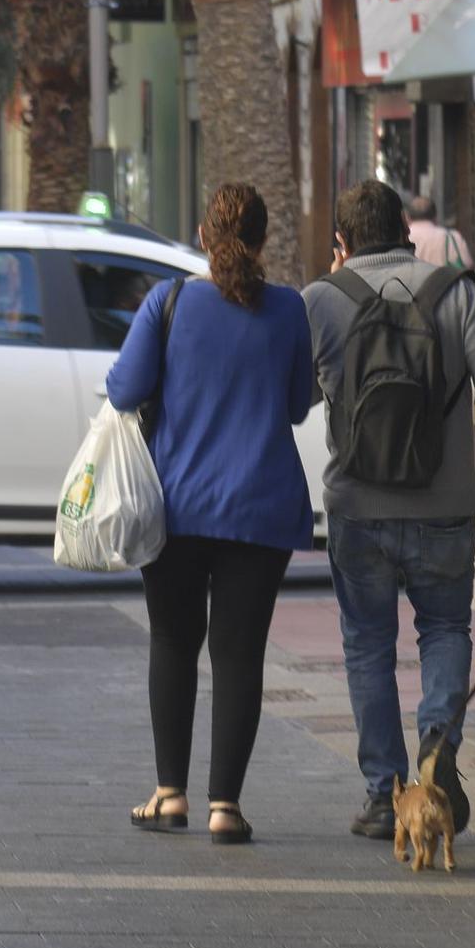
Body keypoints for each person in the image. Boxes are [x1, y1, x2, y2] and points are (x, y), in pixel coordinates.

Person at [108, 184, 315, 845]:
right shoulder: (287, 309)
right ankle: (226, 805)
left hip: (177, 505)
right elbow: (297, 404)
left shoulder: (167, 302)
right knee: (239, 654)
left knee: (173, 642)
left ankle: (170, 795)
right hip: (262, 506)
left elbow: (125, 389)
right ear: (262, 241)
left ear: (203, 235)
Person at [306, 179, 475, 842]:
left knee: (367, 645)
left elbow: (293, 398)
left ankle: (381, 793)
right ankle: (437, 741)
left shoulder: (321, 300)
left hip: (357, 505)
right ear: (404, 229)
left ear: (343, 243)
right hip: (444, 503)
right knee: (446, 630)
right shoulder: (456, 292)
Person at [406, 195, 472, 271]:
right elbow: (468, 264)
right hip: (445, 281)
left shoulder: (404, 236)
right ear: (435, 217)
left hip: (412, 281)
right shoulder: (452, 237)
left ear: (408, 217)